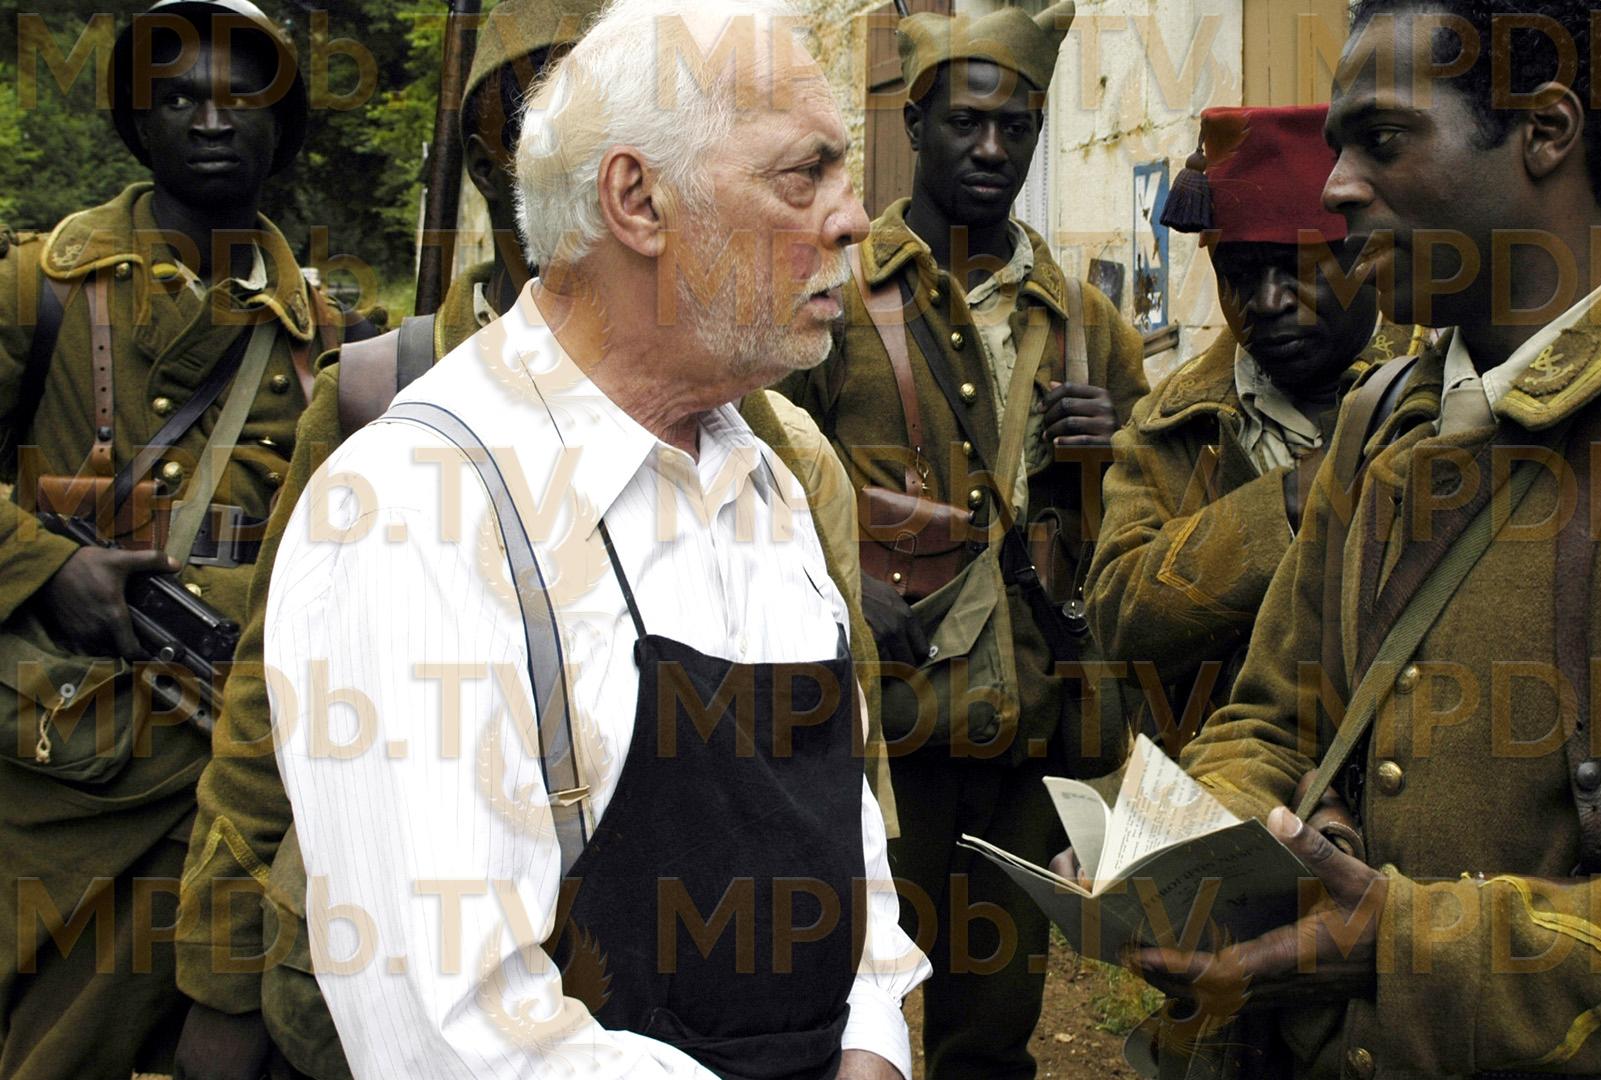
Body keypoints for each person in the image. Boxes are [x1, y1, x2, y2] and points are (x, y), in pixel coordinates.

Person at [1106, 1, 1601, 1076]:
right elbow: (1271, 717)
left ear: (1545, 132)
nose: (1337, 186)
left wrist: (1404, 946)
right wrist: (1223, 847)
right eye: (1340, 147)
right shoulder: (1380, 424)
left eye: (1383, 139)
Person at [263, 0, 927, 1075]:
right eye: (804, 176)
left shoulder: (768, 476)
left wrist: (874, 1041)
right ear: (638, 200)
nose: (855, 219)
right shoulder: (416, 511)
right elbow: (457, 1031)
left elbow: (843, 844)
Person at [170, 4, 601, 1077]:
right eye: (540, 118)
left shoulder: (737, 414)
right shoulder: (380, 393)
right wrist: (223, 985)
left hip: (624, 976)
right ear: (487, 158)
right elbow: (269, 702)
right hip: (373, 980)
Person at [778, 3, 1147, 1074]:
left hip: (1021, 734)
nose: (991, 149)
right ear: (916, 125)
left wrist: (1114, 447)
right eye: (965, 123)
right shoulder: (835, 297)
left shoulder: (1086, 322)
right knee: (838, 1009)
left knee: (991, 1034)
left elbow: (1149, 517)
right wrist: (840, 584)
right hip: (878, 738)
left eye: (1016, 128)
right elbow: (755, 476)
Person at [0, 3, 325, 1075]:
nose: (212, 120)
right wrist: (49, 565)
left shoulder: (328, 340)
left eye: (241, 96)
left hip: (241, 751)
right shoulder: (41, 287)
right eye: (179, 97)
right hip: (72, 754)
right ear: (138, 123)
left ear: (282, 123)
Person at [1085, 104, 1420, 754]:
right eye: (1240, 275)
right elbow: (1120, 624)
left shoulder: (1437, 394)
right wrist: (1287, 501)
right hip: (1220, 781)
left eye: (1297, 269)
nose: (1267, 301)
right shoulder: (1172, 426)